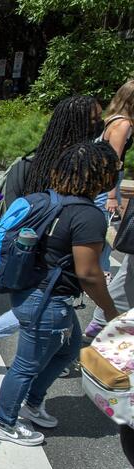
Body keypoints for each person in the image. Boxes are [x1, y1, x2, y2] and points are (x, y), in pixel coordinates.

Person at [0, 96, 104, 370]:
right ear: (78, 125)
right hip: (40, 257)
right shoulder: (51, 164)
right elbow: (22, 214)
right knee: (37, 313)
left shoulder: (50, 159)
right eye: (95, 120)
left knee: (42, 310)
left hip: (46, 257)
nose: (101, 126)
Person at [0, 142, 120, 446]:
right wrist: (111, 312)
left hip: (29, 292)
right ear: (98, 177)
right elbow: (88, 274)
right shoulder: (88, 216)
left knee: (68, 349)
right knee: (26, 365)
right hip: (46, 302)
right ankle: (4, 423)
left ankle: (32, 404)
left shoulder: (44, 199)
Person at [85, 81, 134, 337]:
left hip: (100, 184)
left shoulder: (112, 119)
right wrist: (113, 195)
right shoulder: (124, 124)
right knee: (102, 237)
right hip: (107, 186)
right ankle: (97, 282)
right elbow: (113, 160)